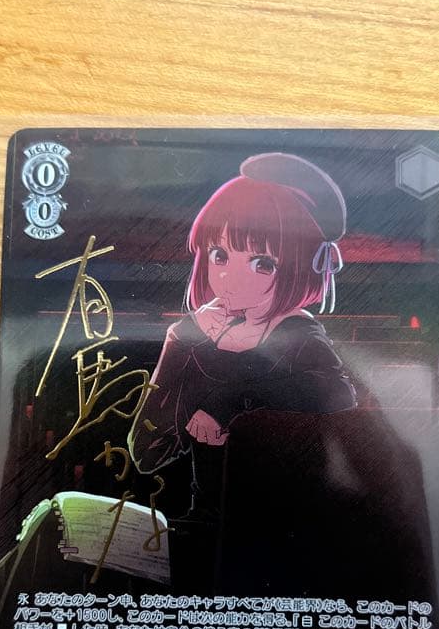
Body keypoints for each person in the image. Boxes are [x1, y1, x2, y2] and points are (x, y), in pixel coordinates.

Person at [128, 153, 357, 525]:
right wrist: (180, 341)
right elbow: (147, 452)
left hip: (286, 529)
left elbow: (338, 396)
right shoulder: (197, 336)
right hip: (209, 528)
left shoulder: (299, 335)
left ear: (303, 265)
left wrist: (232, 402)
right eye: (219, 255)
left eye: (262, 263)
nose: (229, 278)